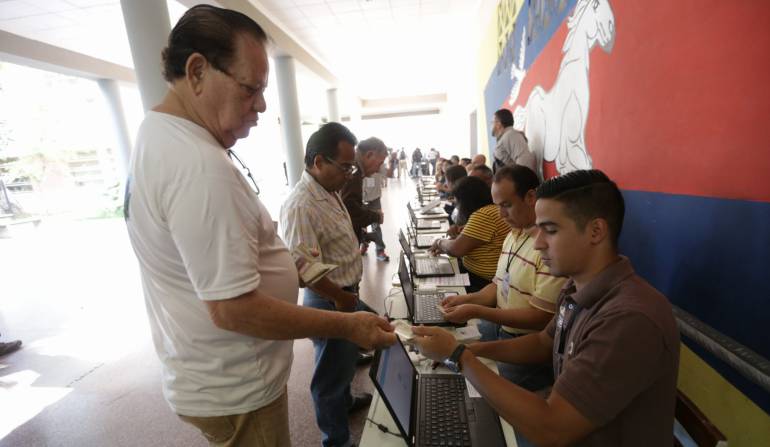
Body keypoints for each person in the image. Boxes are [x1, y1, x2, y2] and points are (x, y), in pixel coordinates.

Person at [123, 7, 395, 447]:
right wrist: (349, 323)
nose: (263, 105)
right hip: (237, 386)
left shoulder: (161, 138)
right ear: (196, 71)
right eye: (251, 88)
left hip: (212, 376)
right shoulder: (196, 166)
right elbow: (234, 308)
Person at [413, 170, 680, 447]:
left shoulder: (629, 319)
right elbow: (543, 342)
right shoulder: (577, 288)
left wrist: (459, 356)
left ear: (596, 231)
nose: (538, 242)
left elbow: (552, 430)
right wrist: (469, 350)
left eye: (550, 230)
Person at [281, 123, 385, 447]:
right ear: (318, 162)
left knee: (346, 359)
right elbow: (302, 269)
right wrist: (341, 299)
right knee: (328, 377)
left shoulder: (328, 190)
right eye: (344, 167)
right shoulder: (301, 204)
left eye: (351, 166)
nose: (348, 173)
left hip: (344, 294)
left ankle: (346, 399)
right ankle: (336, 441)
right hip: (331, 299)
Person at [439, 166, 566, 391]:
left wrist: (477, 310)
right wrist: (466, 300)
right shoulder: (514, 234)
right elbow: (498, 285)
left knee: (471, 386)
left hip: (525, 347)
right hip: (501, 329)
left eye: (507, 205)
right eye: (498, 206)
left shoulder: (550, 248)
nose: (501, 214)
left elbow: (540, 318)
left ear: (530, 197)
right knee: (444, 359)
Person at [431, 176, 510, 292]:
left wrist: (439, 242)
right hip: (480, 278)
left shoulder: (484, 215)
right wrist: (459, 238)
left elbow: (456, 249)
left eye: (457, 201)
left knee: (434, 283)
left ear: (465, 201)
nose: (457, 206)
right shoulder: (491, 210)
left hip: (481, 282)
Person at [340, 136, 389, 262]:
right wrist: (376, 216)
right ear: (369, 155)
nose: (378, 169)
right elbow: (350, 210)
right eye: (379, 163)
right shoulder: (354, 173)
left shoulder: (355, 171)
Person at [491, 108, 536, 173]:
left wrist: (522, 182)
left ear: (498, 123)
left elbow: (525, 160)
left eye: (492, 122)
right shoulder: (506, 137)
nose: (491, 125)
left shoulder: (510, 135)